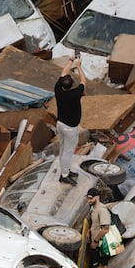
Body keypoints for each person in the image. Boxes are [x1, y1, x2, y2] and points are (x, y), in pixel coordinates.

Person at [54, 53, 86, 186]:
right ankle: (65, 175)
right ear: (72, 85)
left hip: (60, 124)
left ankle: (65, 170)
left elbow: (63, 72)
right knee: (68, 151)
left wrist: (71, 60)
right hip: (70, 128)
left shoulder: (58, 89)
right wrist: (78, 66)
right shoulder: (75, 93)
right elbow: (84, 81)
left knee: (63, 148)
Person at [86, 187, 111, 268]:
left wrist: (95, 242)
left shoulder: (102, 210)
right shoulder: (94, 209)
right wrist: (89, 231)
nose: (89, 200)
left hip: (99, 243)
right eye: (87, 198)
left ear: (97, 197)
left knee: (98, 267)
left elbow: (105, 229)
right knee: (103, 267)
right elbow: (95, 224)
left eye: (90, 198)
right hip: (95, 240)